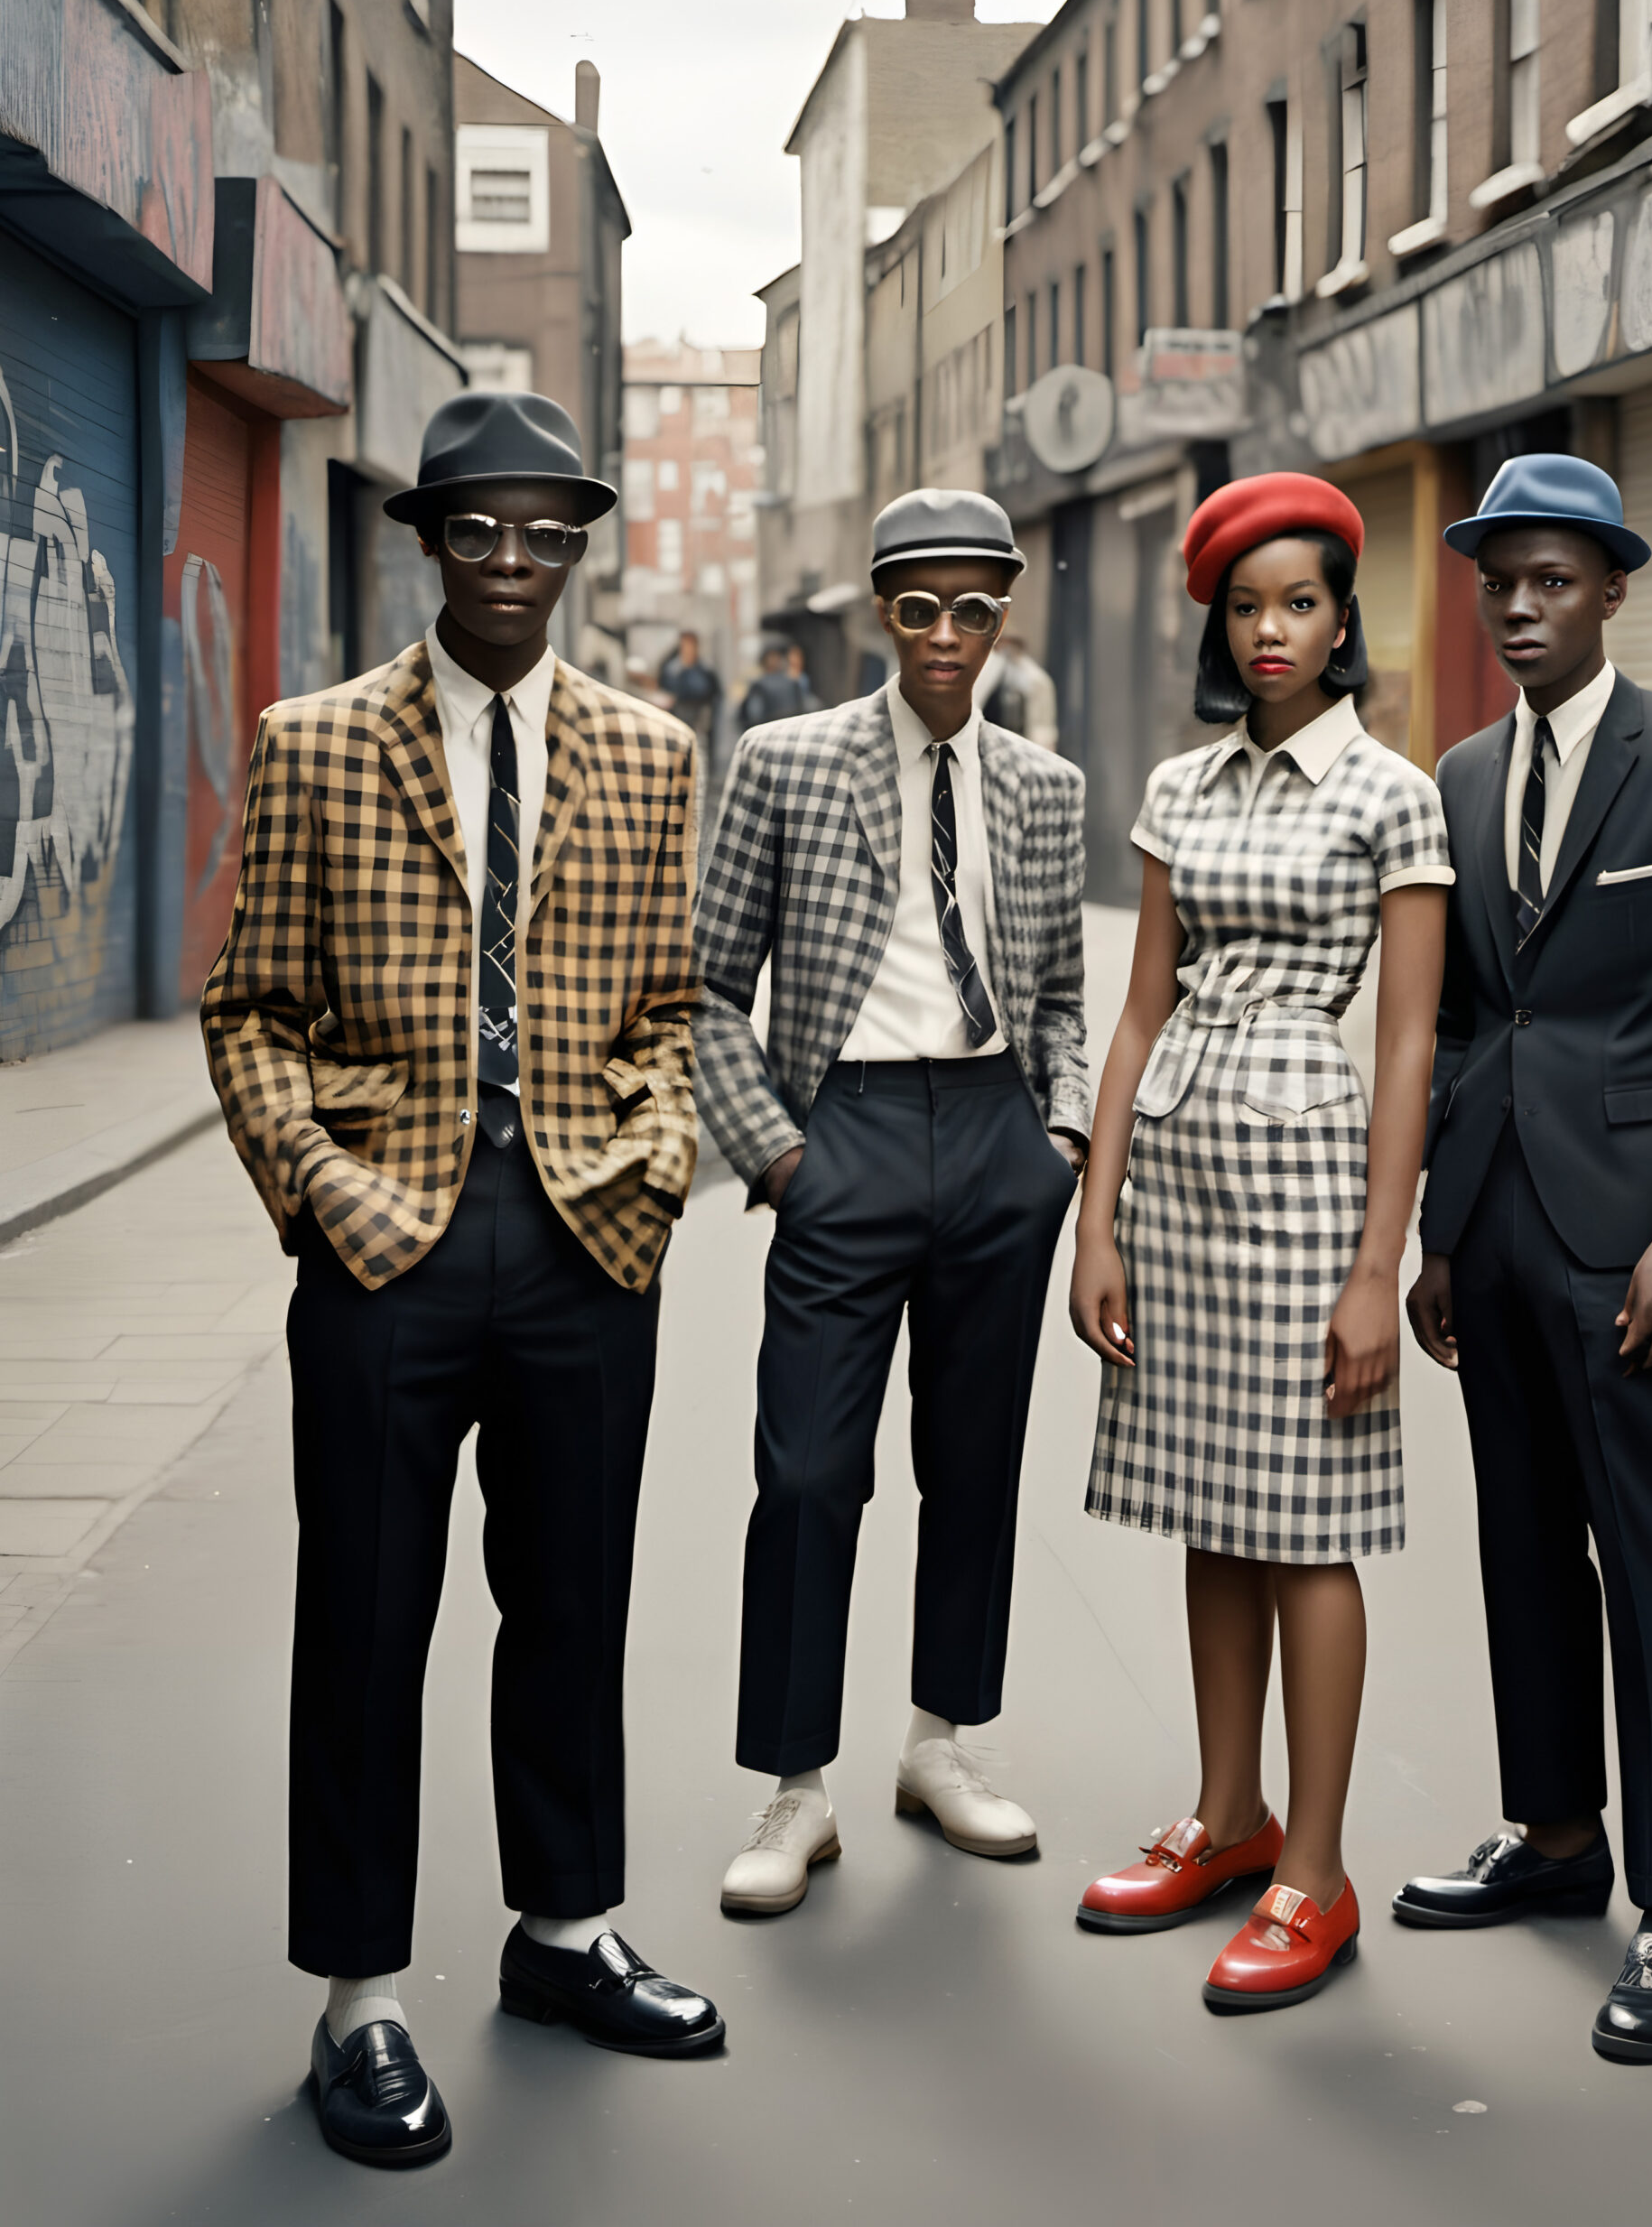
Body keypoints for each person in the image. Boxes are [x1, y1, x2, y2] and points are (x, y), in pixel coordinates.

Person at [201, 392, 721, 2171]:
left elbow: (671, 1008)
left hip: (584, 1244)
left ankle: (564, 1929)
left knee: (571, 1601)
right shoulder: (316, 742)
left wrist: (653, 1172)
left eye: (545, 531)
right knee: (365, 1618)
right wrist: (325, 1191)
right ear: (430, 541)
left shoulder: (652, 753)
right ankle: (358, 1996)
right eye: (479, 529)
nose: (512, 560)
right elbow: (250, 1008)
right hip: (384, 1251)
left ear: (579, 548)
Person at [1391, 454, 1652, 2065]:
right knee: (1520, 1546)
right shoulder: (1462, 772)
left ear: (1613, 589)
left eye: (1552, 579)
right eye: (1500, 580)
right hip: (1493, 1230)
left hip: (1639, 1242)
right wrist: (1438, 1226)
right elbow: (1473, 1023)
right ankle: (1558, 1836)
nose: (1519, 605)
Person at [1071, 475, 1451, 2012]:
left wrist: (1381, 1263)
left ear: (1344, 618)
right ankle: (1230, 1819)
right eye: (1249, 606)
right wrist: (1094, 1224)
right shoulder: (1182, 788)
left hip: (1307, 1169)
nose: (1276, 629)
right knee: (1209, 1508)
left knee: (1307, 1522)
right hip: (1176, 1169)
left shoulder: (1392, 794)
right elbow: (1143, 1005)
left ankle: (1317, 1868)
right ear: (1221, 626)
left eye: (1302, 602)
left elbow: (1414, 1041)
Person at [695, 488, 1091, 1915]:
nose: (944, 633)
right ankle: (793, 1788)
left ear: (1004, 614)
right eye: (916, 605)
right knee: (808, 1470)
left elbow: (1057, 997)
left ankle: (940, 1743)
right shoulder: (786, 761)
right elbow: (707, 986)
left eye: (972, 607)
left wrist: (1056, 1134)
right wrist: (780, 1156)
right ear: (878, 611)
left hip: (996, 1140)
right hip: (844, 1129)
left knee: (973, 1463)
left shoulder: (1046, 789)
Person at [738, 630, 821, 730]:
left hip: (769, 734)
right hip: (791, 732)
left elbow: (754, 716)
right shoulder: (792, 681)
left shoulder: (759, 685)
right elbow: (810, 707)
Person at [660, 629, 722, 756]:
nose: (687, 649)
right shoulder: (672, 669)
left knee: (699, 754)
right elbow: (664, 689)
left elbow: (712, 692)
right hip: (677, 718)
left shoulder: (705, 670)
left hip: (700, 720)